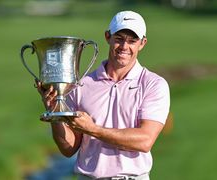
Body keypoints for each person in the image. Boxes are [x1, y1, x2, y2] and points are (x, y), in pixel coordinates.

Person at [36, 10, 170, 180]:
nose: (124, 47)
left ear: (142, 43)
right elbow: (68, 149)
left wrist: (93, 129)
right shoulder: (81, 85)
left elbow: (144, 140)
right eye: (119, 39)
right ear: (108, 37)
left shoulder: (153, 84)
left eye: (132, 41)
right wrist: (54, 111)